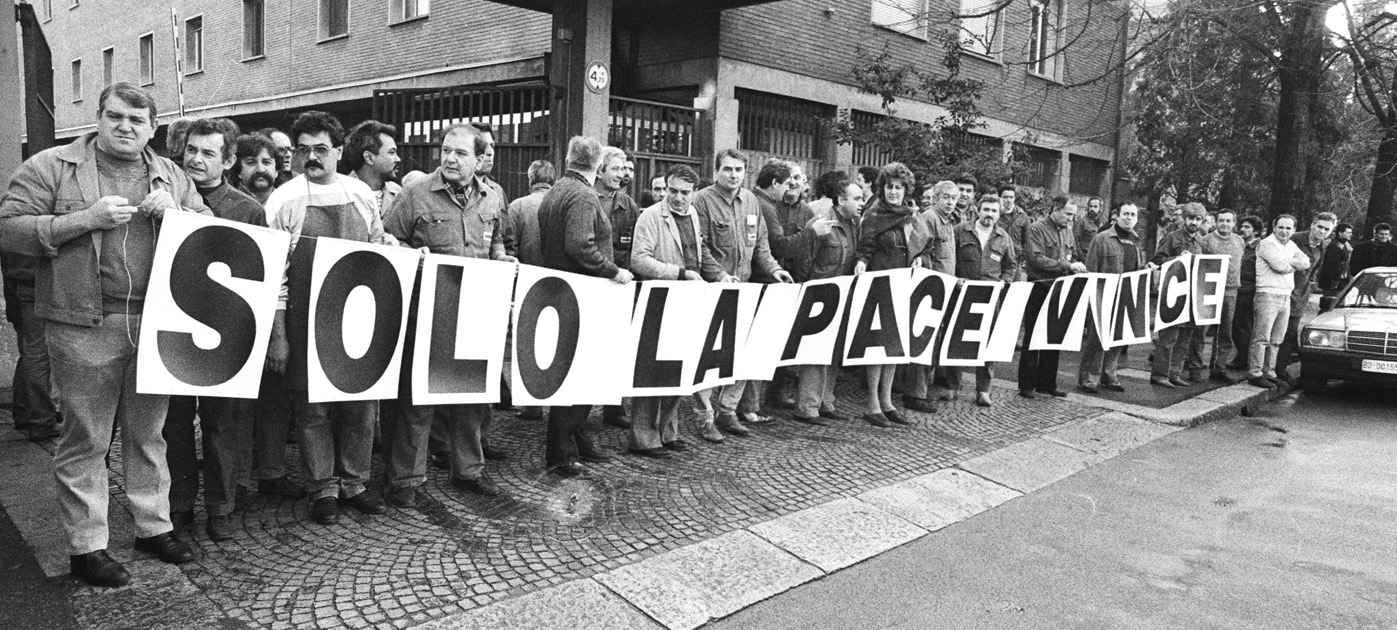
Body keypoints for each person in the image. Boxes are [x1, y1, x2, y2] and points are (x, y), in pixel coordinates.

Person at [0, 82, 211, 586]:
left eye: (137, 121)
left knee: (148, 433)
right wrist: (83, 220)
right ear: (98, 118)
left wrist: (180, 214)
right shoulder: (52, 166)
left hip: (155, 322)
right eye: (115, 116)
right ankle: (87, 547)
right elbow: (9, 229)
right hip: (82, 322)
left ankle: (152, 528)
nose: (125, 127)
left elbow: (209, 228)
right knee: (87, 437)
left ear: (152, 128)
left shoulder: (171, 174)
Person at [264, 110, 398, 525]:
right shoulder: (283, 200)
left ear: (339, 151)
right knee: (313, 409)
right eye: (303, 149)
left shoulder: (361, 194)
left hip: (357, 317)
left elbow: (379, 249)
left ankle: (355, 482)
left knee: (361, 405)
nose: (311, 157)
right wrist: (279, 336)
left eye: (321, 149)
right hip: (304, 320)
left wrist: (393, 246)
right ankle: (322, 487)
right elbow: (274, 277)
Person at [382, 123, 516, 506]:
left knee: (471, 396)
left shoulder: (491, 198)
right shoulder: (415, 194)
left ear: (479, 159)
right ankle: (406, 479)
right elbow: (389, 240)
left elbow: (497, 241)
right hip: (427, 311)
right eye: (446, 150)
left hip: (475, 310)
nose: (450, 159)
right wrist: (411, 255)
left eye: (461, 153)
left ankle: (468, 471)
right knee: (418, 400)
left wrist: (503, 259)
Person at [163, 118, 268, 542]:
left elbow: (263, 276)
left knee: (223, 423)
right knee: (174, 422)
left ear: (228, 161)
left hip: (226, 331)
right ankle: (179, 504)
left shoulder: (248, 210)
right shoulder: (165, 195)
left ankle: (221, 507)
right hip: (174, 326)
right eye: (191, 150)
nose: (196, 159)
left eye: (209, 153)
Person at [536, 136, 627, 476]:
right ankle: (561, 452)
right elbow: (579, 245)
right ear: (598, 165)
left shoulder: (556, 191)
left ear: (568, 159)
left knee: (573, 372)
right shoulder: (584, 195)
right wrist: (613, 270)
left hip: (564, 293)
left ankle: (575, 441)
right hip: (585, 295)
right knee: (581, 374)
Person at [629, 164, 736, 451]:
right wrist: (680, 274)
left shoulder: (693, 215)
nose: (678, 198)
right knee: (653, 373)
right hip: (659, 303)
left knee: (678, 370)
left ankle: (668, 433)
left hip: (687, 303)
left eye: (685, 193)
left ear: (694, 193)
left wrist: (720, 275)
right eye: (673, 191)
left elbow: (700, 254)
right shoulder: (651, 217)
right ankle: (644, 439)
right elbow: (639, 260)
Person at [692, 149, 794, 437]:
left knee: (743, 353)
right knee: (709, 358)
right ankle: (705, 417)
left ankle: (728, 411)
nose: (733, 175)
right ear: (716, 171)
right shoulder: (702, 201)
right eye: (727, 169)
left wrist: (775, 270)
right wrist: (720, 275)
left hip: (745, 291)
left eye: (738, 169)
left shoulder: (751, 201)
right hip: (714, 291)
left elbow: (760, 245)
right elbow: (699, 246)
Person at [855, 162, 927, 427]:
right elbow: (865, 247)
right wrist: (861, 262)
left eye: (898, 187)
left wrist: (919, 257)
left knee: (894, 346)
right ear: (882, 188)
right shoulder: (874, 214)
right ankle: (873, 404)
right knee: (877, 347)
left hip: (904, 287)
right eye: (889, 187)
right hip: (880, 287)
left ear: (906, 190)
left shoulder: (911, 215)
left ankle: (887, 402)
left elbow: (922, 244)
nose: (893, 192)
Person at [791, 174, 861, 423]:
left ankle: (825, 401)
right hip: (819, 295)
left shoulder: (853, 224)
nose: (861, 203)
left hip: (841, 295)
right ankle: (808, 407)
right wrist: (807, 291)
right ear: (841, 200)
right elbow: (804, 259)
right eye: (857, 198)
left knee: (834, 351)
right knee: (815, 353)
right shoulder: (822, 223)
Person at [754, 160, 818, 411]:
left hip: (795, 280)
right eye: (788, 178)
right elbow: (777, 245)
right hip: (771, 278)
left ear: (804, 183)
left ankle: (776, 392)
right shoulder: (770, 205)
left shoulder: (808, 212)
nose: (792, 183)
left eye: (797, 178)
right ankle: (752, 400)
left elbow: (810, 251)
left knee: (786, 342)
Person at [948, 194, 1017, 406]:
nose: (989, 214)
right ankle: (952, 386)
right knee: (957, 339)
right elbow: (949, 257)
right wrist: (954, 279)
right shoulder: (961, 231)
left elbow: (1011, 266)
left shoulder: (1003, 237)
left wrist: (1004, 282)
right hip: (963, 294)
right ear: (978, 210)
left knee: (988, 343)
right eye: (986, 209)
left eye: (994, 211)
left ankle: (983, 390)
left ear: (999, 214)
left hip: (989, 298)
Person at [1019, 194, 1084, 398]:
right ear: (1055, 210)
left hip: (1059, 288)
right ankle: (1027, 384)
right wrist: (1067, 265)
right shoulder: (1036, 229)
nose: (1071, 219)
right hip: (1039, 287)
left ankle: (1047, 383)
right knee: (1033, 335)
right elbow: (1036, 259)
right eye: (1068, 214)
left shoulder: (1068, 232)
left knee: (1054, 335)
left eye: (1073, 215)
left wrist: (1076, 265)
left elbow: (1073, 255)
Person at [1078, 203, 1147, 394]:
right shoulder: (1102, 238)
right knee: (1097, 338)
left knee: (1118, 337)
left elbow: (1135, 267)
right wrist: (1091, 297)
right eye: (1125, 214)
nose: (1129, 218)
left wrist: (1146, 268)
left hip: (1127, 295)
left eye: (1133, 214)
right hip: (1103, 295)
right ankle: (1088, 378)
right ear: (1117, 216)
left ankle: (1109, 375)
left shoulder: (1135, 240)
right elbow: (1091, 268)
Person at [595, 147, 641, 429]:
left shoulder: (628, 205)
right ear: (600, 170)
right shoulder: (588, 198)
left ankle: (614, 407)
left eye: (624, 168)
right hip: (592, 284)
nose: (622, 174)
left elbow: (635, 247)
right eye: (616, 168)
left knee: (617, 350)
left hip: (621, 287)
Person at [902, 181, 958, 412]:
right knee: (923, 340)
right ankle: (915, 394)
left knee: (932, 341)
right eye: (946, 197)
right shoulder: (929, 218)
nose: (950, 202)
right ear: (936, 198)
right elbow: (920, 253)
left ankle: (920, 390)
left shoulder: (948, 221)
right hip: (930, 290)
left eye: (953, 198)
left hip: (944, 290)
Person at [1249, 215, 1311, 389]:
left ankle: (1269, 373)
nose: (1284, 231)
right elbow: (1280, 266)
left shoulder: (1291, 245)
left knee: (1276, 339)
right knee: (1261, 338)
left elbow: (1306, 262)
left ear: (1294, 230)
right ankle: (1255, 373)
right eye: (1281, 227)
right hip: (1267, 294)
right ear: (1274, 227)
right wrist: (1294, 263)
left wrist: (1290, 262)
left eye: (1288, 228)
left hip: (1285, 296)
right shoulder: (1267, 244)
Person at [1149, 202, 1207, 388]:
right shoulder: (1172, 237)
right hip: (1172, 293)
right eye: (1190, 218)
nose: (1194, 222)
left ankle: (1175, 373)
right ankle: (1160, 374)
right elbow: (1157, 260)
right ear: (1184, 218)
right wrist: (1177, 259)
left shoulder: (1200, 241)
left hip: (1191, 294)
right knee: (1169, 337)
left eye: (1198, 219)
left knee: (1184, 338)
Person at [1276, 212, 1334, 383]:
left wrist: (1310, 285)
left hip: (1300, 295)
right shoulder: (1294, 239)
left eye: (1327, 229)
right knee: (1275, 331)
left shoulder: (1323, 245)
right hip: (1281, 290)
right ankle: (1267, 368)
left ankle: (1280, 369)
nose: (1322, 231)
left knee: (1290, 331)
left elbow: (1315, 269)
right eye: (1320, 227)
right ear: (1312, 225)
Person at [1201, 209, 1246, 383]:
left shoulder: (1239, 241)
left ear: (1234, 223)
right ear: (1216, 222)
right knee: (1202, 330)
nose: (1224, 224)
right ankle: (1194, 366)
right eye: (1221, 220)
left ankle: (1218, 368)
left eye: (1228, 221)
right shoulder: (1206, 241)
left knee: (1225, 331)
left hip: (1231, 290)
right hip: (1209, 289)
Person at [343, 120, 402, 219]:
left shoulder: (399, 193)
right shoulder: (340, 193)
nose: (398, 159)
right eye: (392, 152)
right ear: (369, 158)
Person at [1228, 215, 1265, 371]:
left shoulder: (1259, 247)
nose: (1242, 229)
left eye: (1247, 227)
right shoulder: (1240, 244)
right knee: (1235, 324)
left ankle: (1244, 358)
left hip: (1248, 290)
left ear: (1256, 231)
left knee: (1243, 324)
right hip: (1237, 288)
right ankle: (1241, 355)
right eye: (1242, 226)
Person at [234, 133, 283, 205]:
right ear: (238, 171)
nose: (260, 170)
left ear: (277, 170)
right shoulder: (227, 204)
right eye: (251, 163)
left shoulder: (289, 203)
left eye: (266, 162)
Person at [997, 183, 1031, 279]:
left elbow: (1027, 239)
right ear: (1000, 198)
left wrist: (1022, 256)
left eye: (1011, 197)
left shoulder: (1023, 216)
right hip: (997, 257)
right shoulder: (995, 214)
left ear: (1015, 198)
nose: (1008, 200)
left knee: (1016, 285)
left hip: (1015, 260)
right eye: (1005, 197)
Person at [1317, 222, 1353, 310]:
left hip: (1340, 282)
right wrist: (1335, 283)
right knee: (1330, 307)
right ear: (1340, 233)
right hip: (1333, 284)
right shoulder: (1334, 246)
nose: (1351, 234)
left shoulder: (1343, 245)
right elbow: (1331, 267)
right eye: (1348, 232)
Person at [1074, 196, 1105, 263]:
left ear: (1100, 208)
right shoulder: (1081, 222)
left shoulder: (1101, 223)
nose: (1092, 209)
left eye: (1095, 207)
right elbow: (1076, 242)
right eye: (1090, 206)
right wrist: (1083, 259)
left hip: (1097, 258)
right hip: (1085, 257)